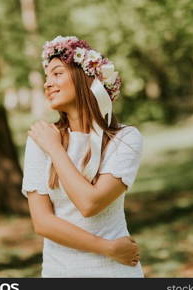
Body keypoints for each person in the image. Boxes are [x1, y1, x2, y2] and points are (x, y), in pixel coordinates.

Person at [21, 36, 144, 277]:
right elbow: (43, 223)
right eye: (47, 77)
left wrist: (56, 150)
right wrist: (108, 248)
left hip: (116, 274)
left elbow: (90, 204)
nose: (47, 84)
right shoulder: (41, 138)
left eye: (57, 74)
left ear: (85, 78)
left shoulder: (125, 138)